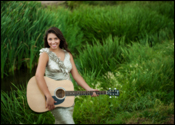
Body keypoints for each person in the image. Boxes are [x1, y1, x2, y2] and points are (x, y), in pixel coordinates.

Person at [35, 27, 99, 124]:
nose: (53, 42)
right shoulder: (45, 54)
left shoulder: (68, 54)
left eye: (55, 38)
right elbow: (38, 76)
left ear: (60, 39)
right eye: (50, 39)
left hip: (67, 96)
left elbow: (76, 75)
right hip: (53, 98)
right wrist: (48, 96)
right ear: (46, 40)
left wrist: (89, 89)